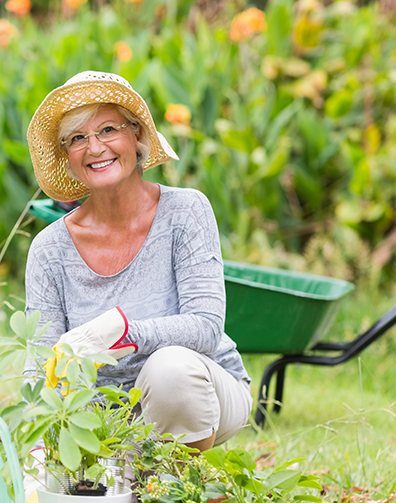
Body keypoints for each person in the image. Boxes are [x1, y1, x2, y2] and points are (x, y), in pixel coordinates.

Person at [24, 71, 252, 452]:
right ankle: (132, 472)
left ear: (138, 136)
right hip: (101, 419)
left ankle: (176, 490)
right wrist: (35, 445)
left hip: (200, 390)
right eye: (78, 138)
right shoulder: (49, 249)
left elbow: (207, 327)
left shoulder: (185, 211)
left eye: (108, 129)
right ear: (67, 156)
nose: (95, 148)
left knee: (170, 369)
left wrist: (122, 335)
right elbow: (41, 362)